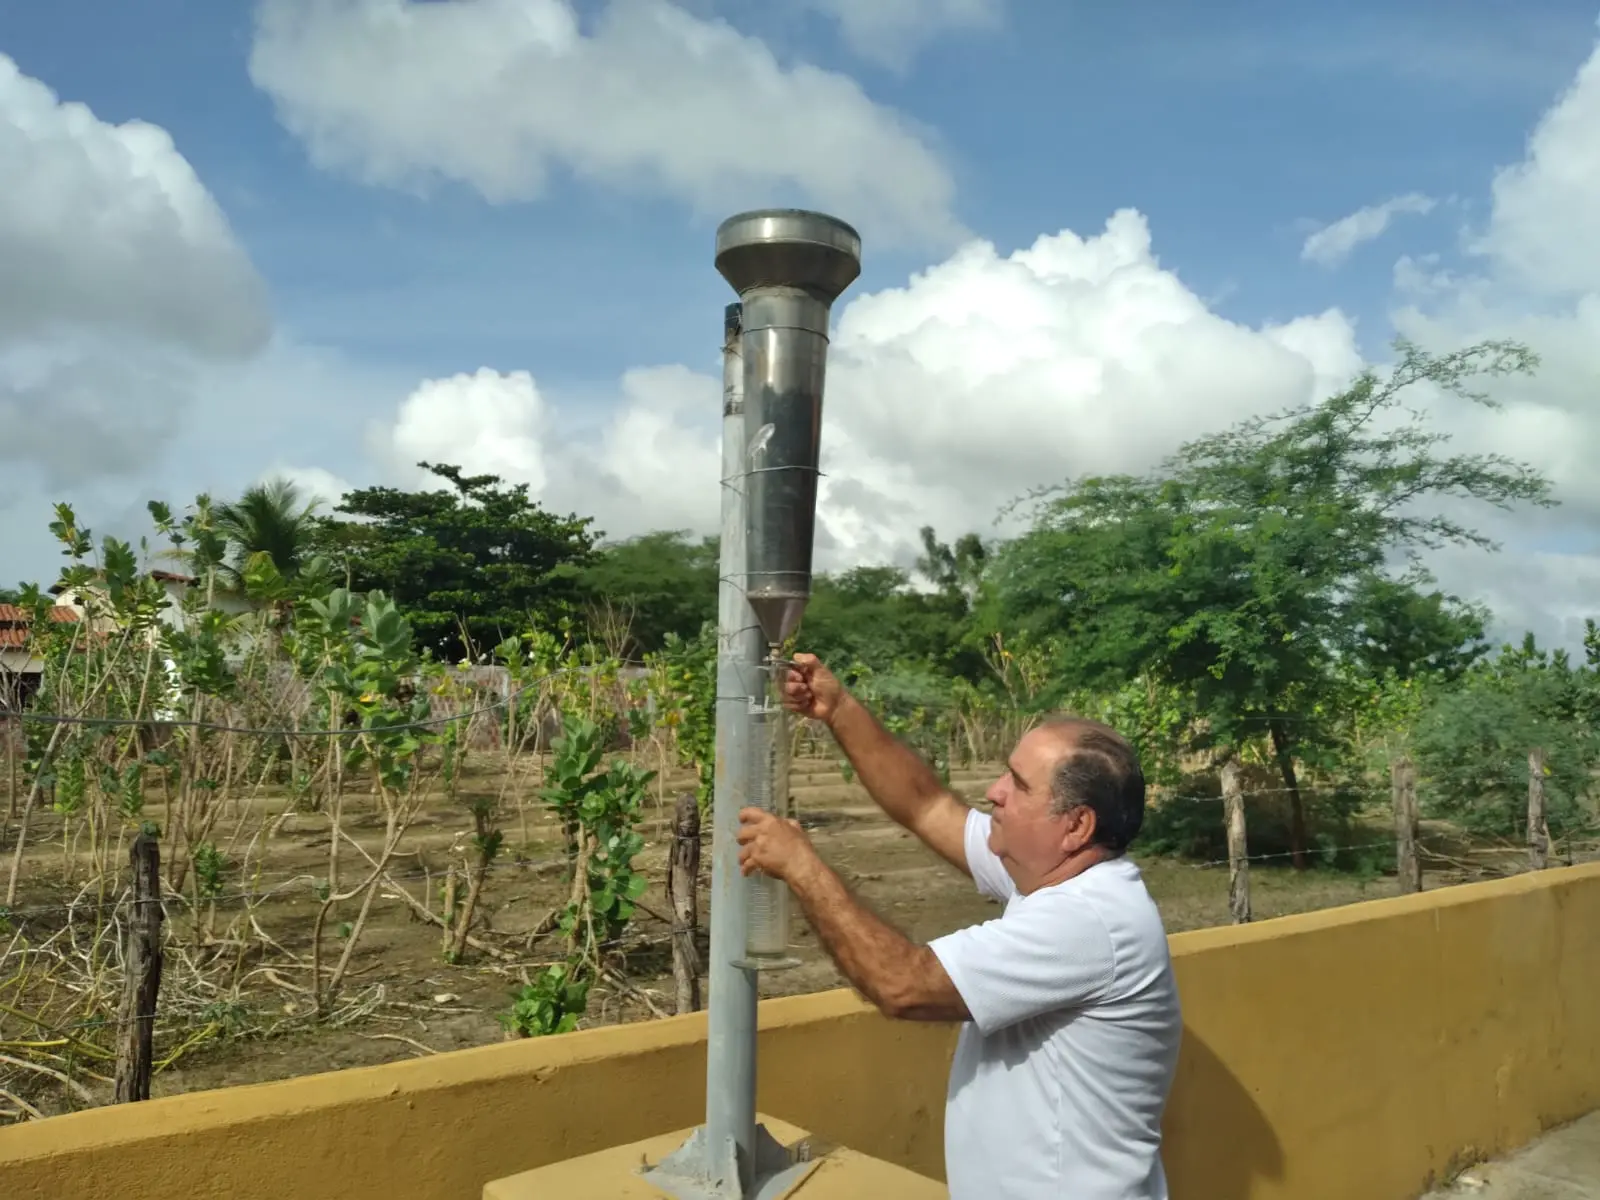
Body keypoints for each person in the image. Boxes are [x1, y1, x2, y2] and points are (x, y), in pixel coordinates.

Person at [736, 653, 1183, 1200]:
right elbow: (926, 806)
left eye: (1018, 785)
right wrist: (840, 709)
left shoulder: (1087, 921)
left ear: (1075, 825)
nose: (994, 790)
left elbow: (902, 984)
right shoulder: (1048, 876)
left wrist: (803, 868)